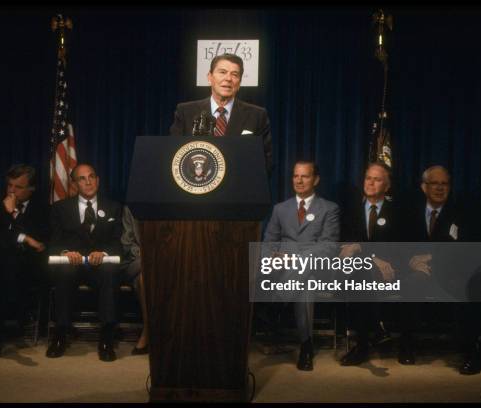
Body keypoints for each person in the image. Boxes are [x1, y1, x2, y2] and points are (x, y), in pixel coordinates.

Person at [406, 165, 481, 374]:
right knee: (412, 283)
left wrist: (433, 258)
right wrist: (411, 261)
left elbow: (467, 247)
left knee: (468, 287)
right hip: (417, 271)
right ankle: (407, 345)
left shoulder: (461, 212)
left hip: (451, 272)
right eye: (435, 183)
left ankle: (471, 352)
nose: (440, 188)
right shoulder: (408, 211)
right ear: (424, 187)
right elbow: (398, 242)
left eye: (445, 184)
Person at [263, 161, 340, 371]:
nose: (299, 180)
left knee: (305, 272)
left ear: (315, 180)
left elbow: (328, 246)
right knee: (304, 287)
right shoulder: (280, 209)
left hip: (317, 267)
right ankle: (307, 346)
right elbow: (268, 242)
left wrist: (294, 258)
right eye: (296, 176)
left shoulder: (329, 209)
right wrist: (273, 258)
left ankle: (276, 305)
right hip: (284, 270)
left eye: (305, 176)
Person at [46, 163, 123, 362]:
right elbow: (53, 242)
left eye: (91, 176)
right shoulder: (60, 208)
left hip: (100, 265)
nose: (88, 181)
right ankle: (60, 333)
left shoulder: (114, 207)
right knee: (64, 273)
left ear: (97, 180)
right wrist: (65, 252)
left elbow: (118, 242)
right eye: (82, 178)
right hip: (72, 264)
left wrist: (104, 252)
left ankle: (106, 337)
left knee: (109, 272)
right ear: (74, 184)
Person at [339, 162, 414, 366]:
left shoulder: (399, 211)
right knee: (359, 273)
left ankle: (370, 343)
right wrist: (372, 257)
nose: (371, 183)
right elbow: (345, 244)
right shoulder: (350, 210)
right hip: (360, 270)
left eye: (377, 179)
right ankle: (373, 331)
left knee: (360, 277)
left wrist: (364, 251)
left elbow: (399, 246)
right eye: (368, 178)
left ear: (387, 186)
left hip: (392, 270)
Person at [0, 164, 49, 362]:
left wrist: (13, 218)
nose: (11, 191)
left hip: (29, 266)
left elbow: (40, 244)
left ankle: (1, 326)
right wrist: (23, 237)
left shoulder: (43, 208)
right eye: (9, 185)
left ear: (31, 189)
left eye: (18, 187)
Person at [169, 53, 272, 175]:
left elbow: (266, 161)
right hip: (197, 187)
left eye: (235, 74)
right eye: (222, 72)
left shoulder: (257, 115)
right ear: (209, 77)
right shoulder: (186, 112)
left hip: (238, 189)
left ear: (239, 82)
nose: (228, 78)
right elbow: (174, 155)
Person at [121, 205, 149, 355]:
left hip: (166, 259)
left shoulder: (171, 203)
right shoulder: (131, 207)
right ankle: (148, 330)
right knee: (144, 277)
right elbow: (127, 243)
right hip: (137, 261)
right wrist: (148, 254)